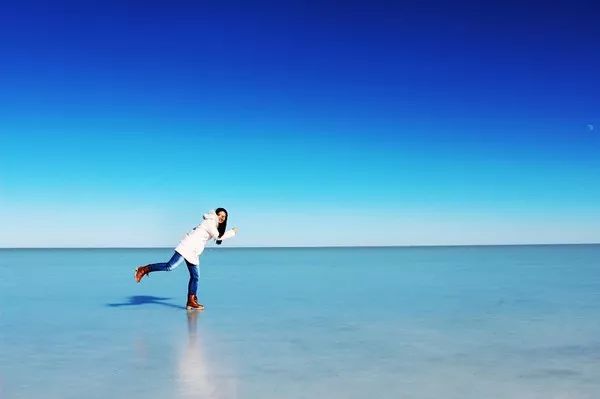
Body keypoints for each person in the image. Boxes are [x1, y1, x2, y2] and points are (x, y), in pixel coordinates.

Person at [134, 208, 238, 310]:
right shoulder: (210, 221)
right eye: (220, 215)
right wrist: (232, 232)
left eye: (224, 217)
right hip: (187, 246)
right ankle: (143, 269)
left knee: (195, 276)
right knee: (170, 266)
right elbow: (217, 236)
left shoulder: (213, 224)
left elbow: (215, 235)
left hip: (193, 252)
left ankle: (191, 301)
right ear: (215, 214)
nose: (222, 218)